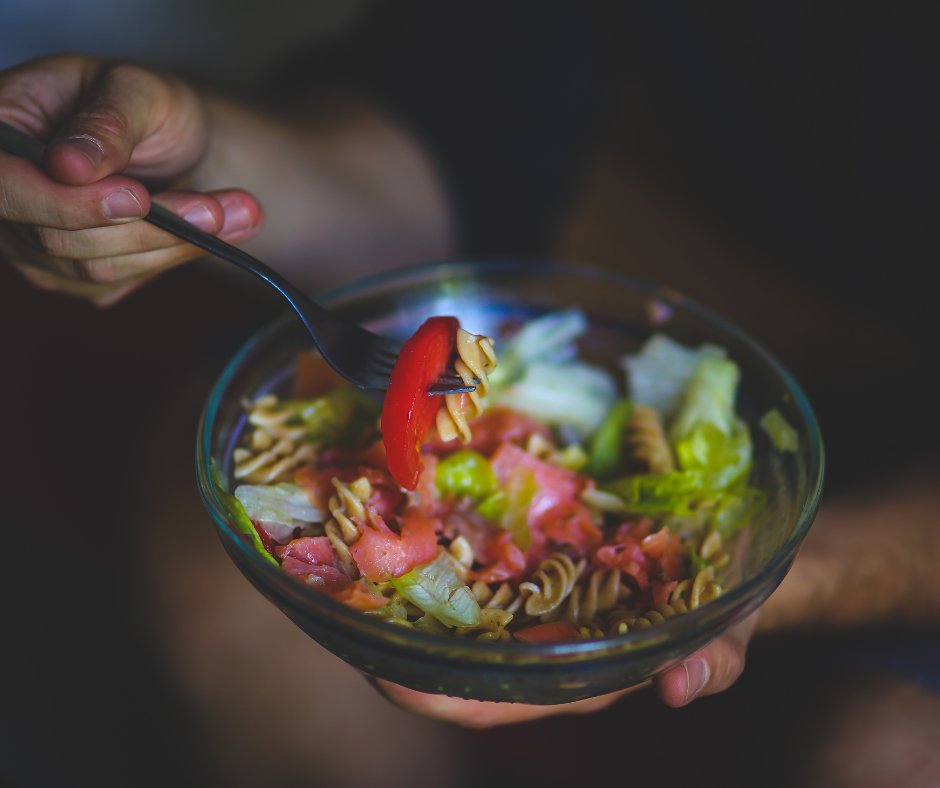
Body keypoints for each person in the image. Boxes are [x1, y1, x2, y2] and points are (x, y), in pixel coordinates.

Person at [1, 3, 939, 781]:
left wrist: (783, 576)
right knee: (211, 551)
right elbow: (461, 119)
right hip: (659, 239)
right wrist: (211, 159)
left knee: (885, 752)